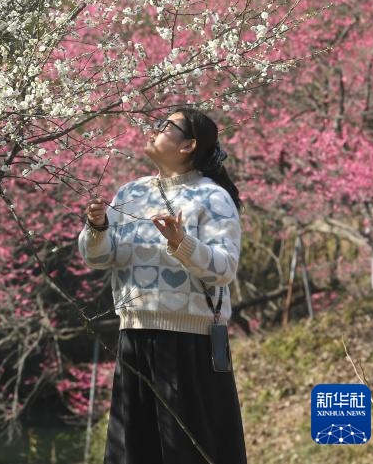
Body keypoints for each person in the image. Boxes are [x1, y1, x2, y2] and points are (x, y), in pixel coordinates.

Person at [78, 107, 248, 464]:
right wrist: (97, 228)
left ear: (188, 145)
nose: (154, 129)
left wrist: (181, 243)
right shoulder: (129, 194)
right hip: (134, 336)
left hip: (189, 343)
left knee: (186, 452)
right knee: (133, 450)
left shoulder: (213, 198)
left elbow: (224, 268)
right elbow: (103, 257)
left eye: (165, 126)